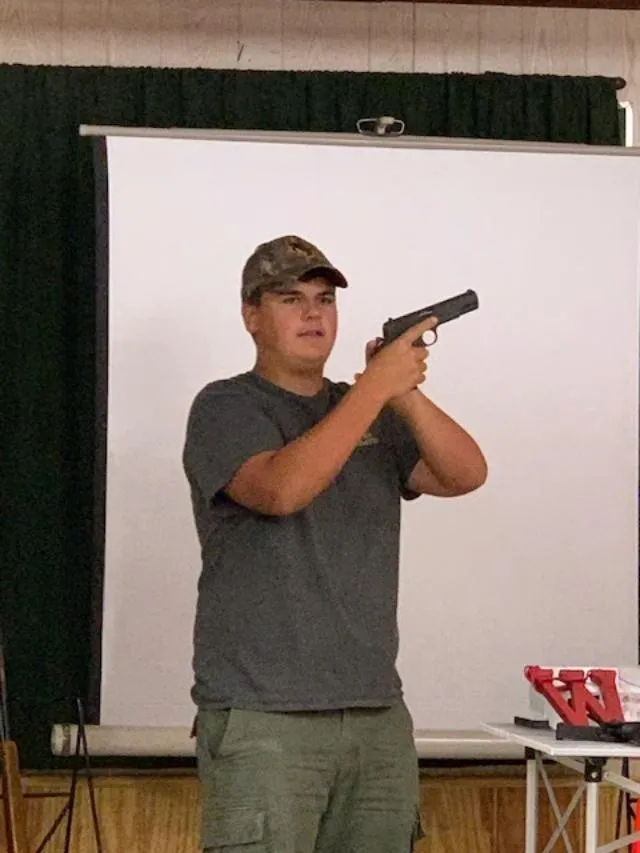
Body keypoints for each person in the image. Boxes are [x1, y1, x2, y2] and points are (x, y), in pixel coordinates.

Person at [182, 234, 488, 853]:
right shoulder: (224, 406)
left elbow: (465, 474)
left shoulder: (367, 407)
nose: (314, 313)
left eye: (325, 299)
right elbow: (283, 489)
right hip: (266, 720)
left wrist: (402, 393)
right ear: (251, 316)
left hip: (375, 712)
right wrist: (375, 388)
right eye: (291, 299)